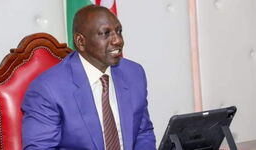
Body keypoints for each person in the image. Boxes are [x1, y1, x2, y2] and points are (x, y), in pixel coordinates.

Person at [22, 4, 156, 150]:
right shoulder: (47, 89)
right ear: (80, 41)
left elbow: (143, 133)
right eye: (105, 33)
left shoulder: (133, 73)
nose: (118, 40)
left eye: (119, 31)